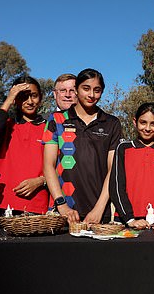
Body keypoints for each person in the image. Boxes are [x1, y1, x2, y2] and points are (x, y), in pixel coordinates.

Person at [43, 68, 123, 225]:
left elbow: (113, 170)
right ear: (76, 90)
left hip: (100, 213)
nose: (91, 95)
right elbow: (48, 166)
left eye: (97, 90)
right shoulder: (55, 120)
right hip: (64, 212)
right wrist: (62, 205)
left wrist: (99, 209)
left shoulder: (112, 123)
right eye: (86, 88)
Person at [0, 76, 49, 215]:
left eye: (34, 96)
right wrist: (9, 100)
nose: (30, 102)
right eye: (23, 97)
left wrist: (41, 180)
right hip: (1, 204)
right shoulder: (5, 125)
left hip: (36, 205)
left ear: (41, 98)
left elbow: (58, 165)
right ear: (15, 99)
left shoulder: (49, 127)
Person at [110, 102, 154, 229]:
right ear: (135, 122)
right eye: (143, 122)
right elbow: (116, 186)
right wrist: (130, 219)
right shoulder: (123, 148)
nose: (147, 128)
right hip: (126, 221)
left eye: (153, 124)